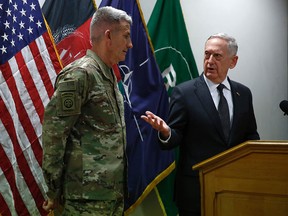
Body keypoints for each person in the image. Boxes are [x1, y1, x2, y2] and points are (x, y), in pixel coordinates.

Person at [141, 33, 260, 216]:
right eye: (207, 54)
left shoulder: (243, 94)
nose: (210, 61)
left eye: (217, 56)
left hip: (233, 188)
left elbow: (251, 136)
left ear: (233, 61)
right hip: (195, 190)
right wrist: (166, 132)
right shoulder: (185, 92)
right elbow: (176, 136)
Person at [41, 6, 133, 215]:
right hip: (84, 201)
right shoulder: (80, 75)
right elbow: (54, 134)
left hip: (111, 196)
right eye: (126, 36)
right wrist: (53, 190)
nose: (130, 44)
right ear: (109, 36)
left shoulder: (108, 75)